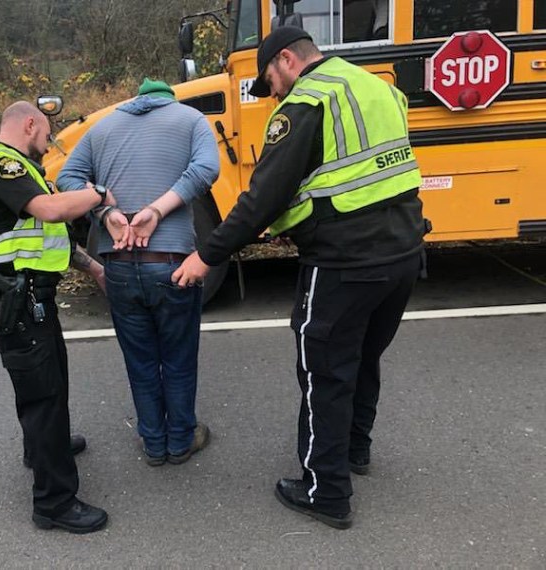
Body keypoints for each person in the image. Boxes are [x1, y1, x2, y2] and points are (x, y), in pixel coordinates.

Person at [172, 26, 428, 529]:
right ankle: (355, 450)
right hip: (402, 252)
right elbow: (360, 173)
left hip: (343, 263)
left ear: (287, 60)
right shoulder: (376, 86)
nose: (275, 95)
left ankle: (325, 491)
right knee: (362, 357)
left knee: (324, 372)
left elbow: (262, 197)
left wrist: (208, 255)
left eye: (271, 82)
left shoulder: (307, 102)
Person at [0, 101, 115, 534]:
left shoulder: (10, 167)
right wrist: (98, 194)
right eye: (48, 134)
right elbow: (52, 211)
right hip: (15, 305)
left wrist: (93, 267)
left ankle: (44, 450)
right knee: (43, 398)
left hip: (27, 302)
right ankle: (55, 503)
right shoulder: (2, 165)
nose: (50, 143)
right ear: (30, 124)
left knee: (48, 385)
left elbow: (47, 235)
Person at [57, 79, 220, 466]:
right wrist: (159, 209)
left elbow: (66, 178)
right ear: (168, 99)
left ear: (138, 101)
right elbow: (207, 169)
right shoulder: (191, 118)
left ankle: (152, 440)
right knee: (178, 357)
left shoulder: (102, 128)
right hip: (172, 263)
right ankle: (180, 440)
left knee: (141, 359)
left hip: (117, 266)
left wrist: (106, 212)